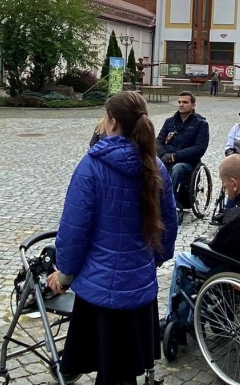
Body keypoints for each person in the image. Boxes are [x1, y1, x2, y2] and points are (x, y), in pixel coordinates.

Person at [46, 91, 178, 385]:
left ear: (113, 123)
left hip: (100, 290)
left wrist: (65, 273)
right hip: (139, 288)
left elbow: (74, 229)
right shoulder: (156, 167)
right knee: (123, 371)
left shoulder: (92, 166)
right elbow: (169, 222)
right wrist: (157, 258)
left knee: (108, 368)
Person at [163, 154, 240, 326]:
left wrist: (201, 242)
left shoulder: (238, 216)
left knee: (183, 260)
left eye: (224, 183)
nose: (224, 187)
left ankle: (177, 319)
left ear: (235, 184)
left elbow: (213, 254)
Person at [156, 92, 209, 205]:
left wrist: (176, 156)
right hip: (166, 158)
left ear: (193, 105)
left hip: (187, 162)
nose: (181, 105)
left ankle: (168, 201)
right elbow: (158, 142)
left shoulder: (201, 124)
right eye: (179, 102)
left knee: (177, 169)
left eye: (185, 102)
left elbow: (200, 148)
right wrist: (163, 154)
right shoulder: (169, 122)